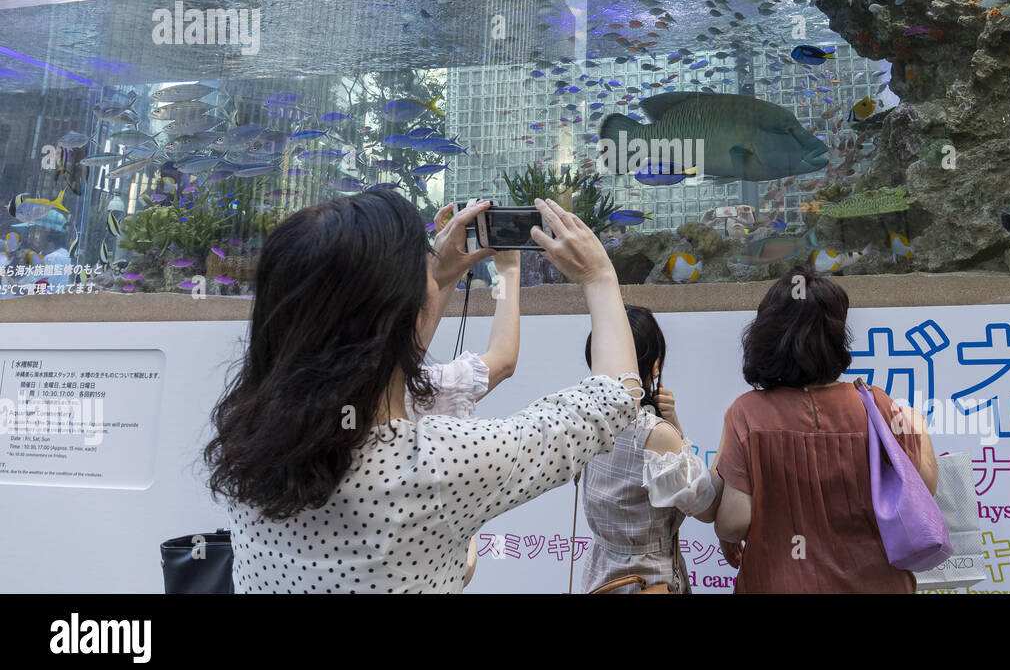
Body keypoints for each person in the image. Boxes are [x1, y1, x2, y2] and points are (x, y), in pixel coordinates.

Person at [205, 192, 644, 593]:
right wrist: (599, 276)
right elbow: (614, 398)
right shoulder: (436, 464)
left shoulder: (247, 437)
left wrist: (439, 274)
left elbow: (377, 363)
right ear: (401, 313)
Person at [713, 267, 938, 593]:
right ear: (836, 336)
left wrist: (724, 531)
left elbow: (734, 523)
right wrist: (919, 428)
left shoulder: (748, 412)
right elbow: (923, 490)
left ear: (766, 334)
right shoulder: (875, 404)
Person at [405, 199, 523, 586]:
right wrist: (508, 271)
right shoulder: (422, 393)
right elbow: (503, 360)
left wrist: (444, 269)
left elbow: (397, 353)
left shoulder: (277, 407)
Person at [580, 306, 720, 594]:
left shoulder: (586, 420)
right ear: (655, 367)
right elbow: (705, 509)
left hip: (601, 577)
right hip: (651, 580)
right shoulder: (655, 434)